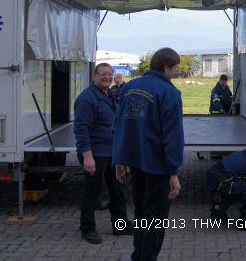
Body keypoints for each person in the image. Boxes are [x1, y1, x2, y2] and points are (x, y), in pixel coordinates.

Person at [113, 47, 184, 261]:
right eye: (174, 69)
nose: (175, 73)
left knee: (141, 212)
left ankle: (138, 255)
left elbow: (120, 126)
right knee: (156, 218)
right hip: (158, 167)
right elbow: (173, 137)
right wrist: (173, 172)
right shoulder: (169, 92)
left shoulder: (130, 87)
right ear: (166, 67)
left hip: (135, 164)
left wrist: (119, 160)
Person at [74, 63, 132, 244]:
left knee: (117, 190)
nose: (107, 77)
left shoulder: (109, 94)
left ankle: (120, 226)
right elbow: (81, 129)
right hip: (95, 154)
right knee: (93, 192)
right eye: (103, 74)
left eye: (109, 74)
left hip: (112, 153)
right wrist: (87, 156)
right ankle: (87, 229)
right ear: (94, 76)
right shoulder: (87, 99)